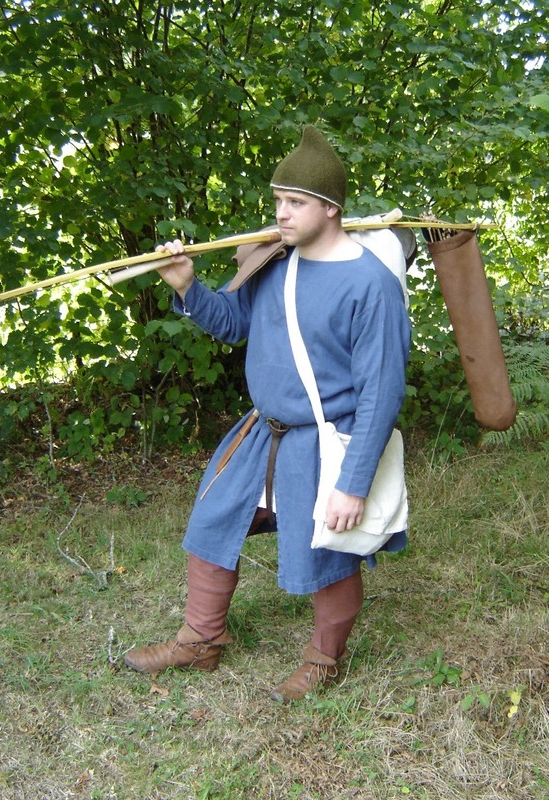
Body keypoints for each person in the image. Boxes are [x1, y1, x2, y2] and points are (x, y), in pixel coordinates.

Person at [124, 126, 411, 702]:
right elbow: (234, 324)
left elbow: (380, 394)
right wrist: (187, 287)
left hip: (326, 440)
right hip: (261, 430)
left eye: (296, 202)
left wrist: (352, 485)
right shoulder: (275, 261)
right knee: (214, 518)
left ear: (330, 209)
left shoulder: (370, 285)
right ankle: (200, 640)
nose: (281, 213)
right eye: (278, 200)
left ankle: (325, 661)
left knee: (327, 548)